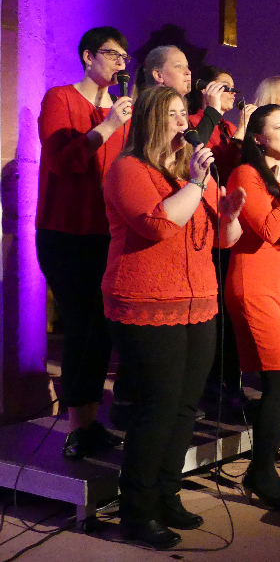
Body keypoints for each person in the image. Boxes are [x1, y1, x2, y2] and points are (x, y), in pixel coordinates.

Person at [103, 86, 245, 548]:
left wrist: (230, 215)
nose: (184, 122)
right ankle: (136, 511)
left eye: (187, 113)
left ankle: (167, 493)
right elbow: (158, 225)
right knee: (158, 407)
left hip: (199, 300)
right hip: (146, 302)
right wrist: (198, 185)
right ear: (150, 120)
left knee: (186, 406)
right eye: (173, 115)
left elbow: (220, 241)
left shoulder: (190, 169)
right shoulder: (128, 168)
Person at [36, 26, 132, 460]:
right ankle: (77, 427)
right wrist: (109, 125)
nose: (119, 63)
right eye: (111, 54)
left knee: (102, 329)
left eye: (124, 57)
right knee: (79, 326)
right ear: (87, 55)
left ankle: (92, 422)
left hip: (107, 232)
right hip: (65, 232)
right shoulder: (61, 98)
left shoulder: (121, 112)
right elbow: (61, 162)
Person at [225, 104, 280, 508]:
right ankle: (260, 470)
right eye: (279, 127)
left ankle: (263, 466)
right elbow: (266, 229)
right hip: (255, 284)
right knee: (278, 381)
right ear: (258, 138)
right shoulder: (245, 174)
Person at [187, 66, 257, 415]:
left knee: (231, 314)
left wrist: (245, 129)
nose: (233, 93)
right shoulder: (194, 119)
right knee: (212, 314)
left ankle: (232, 384)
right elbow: (194, 154)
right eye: (225, 87)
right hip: (202, 226)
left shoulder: (229, 128)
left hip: (230, 223)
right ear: (207, 88)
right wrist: (213, 111)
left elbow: (236, 166)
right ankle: (210, 386)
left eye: (233, 87)